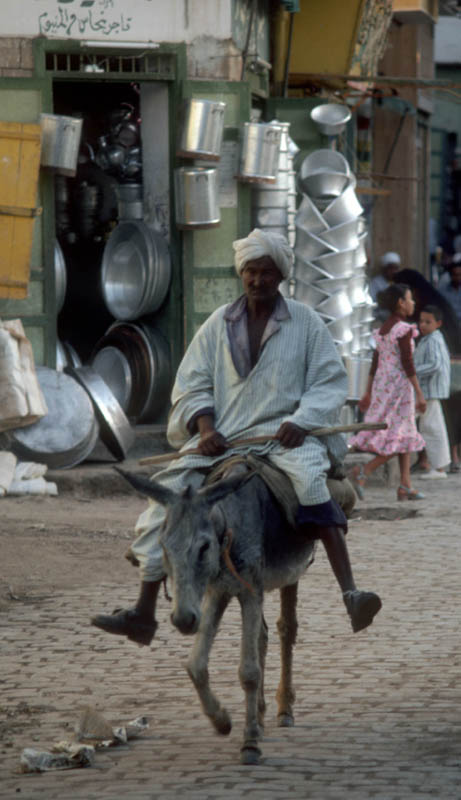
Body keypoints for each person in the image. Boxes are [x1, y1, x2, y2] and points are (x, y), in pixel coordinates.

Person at [91, 229, 381, 645]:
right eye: (250, 271)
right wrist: (206, 429)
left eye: (266, 272)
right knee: (168, 499)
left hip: (287, 441)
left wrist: (302, 420)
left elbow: (328, 382)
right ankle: (144, 611)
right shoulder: (216, 325)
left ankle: (351, 593)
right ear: (240, 273)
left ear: (280, 276)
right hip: (223, 442)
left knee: (311, 483)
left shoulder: (306, 323)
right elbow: (192, 385)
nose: (258, 280)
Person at [348, 283, 427, 501]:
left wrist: (368, 392)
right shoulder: (403, 330)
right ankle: (364, 471)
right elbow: (408, 363)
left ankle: (405, 485)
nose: (413, 303)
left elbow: (375, 364)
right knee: (399, 436)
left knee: (404, 433)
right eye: (410, 299)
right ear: (401, 303)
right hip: (399, 389)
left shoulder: (383, 330)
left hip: (384, 386)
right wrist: (419, 393)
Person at [411, 306, 451, 480]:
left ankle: (439, 468)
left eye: (428, 322)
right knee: (430, 427)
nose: (423, 325)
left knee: (432, 428)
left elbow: (435, 364)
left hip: (430, 391)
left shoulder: (434, 339)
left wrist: (413, 371)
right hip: (426, 391)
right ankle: (437, 466)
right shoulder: (427, 339)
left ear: (438, 324)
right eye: (421, 321)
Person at [438, 257, 461, 324]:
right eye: (455, 275)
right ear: (451, 275)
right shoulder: (442, 291)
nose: (458, 277)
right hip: (449, 323)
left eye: (460, 275)